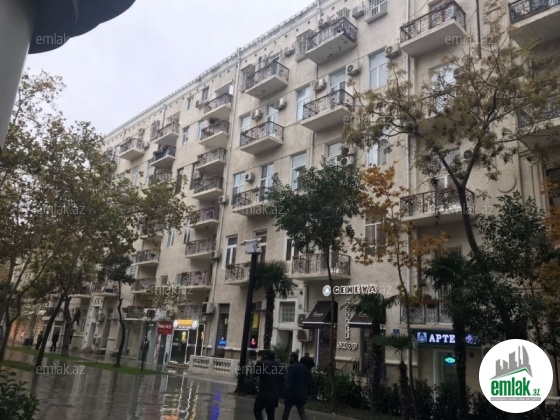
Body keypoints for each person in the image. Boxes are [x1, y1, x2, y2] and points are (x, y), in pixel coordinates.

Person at [253, 350, 284, 420]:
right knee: (270, 414)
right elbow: (282, 381)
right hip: (274, 394)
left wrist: (258, 362)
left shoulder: (263, 364)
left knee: (257, 410)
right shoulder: (280, 366)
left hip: (263, 393)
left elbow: (256, 373)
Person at [282, 352, 308, 420]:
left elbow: (288, 382)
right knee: (302, 412)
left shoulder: (291, 368)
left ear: (292, 358)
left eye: (289, 357)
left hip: (291, 394)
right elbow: (307, 379)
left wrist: (285, 393)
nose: (288, 359)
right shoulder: (303, 366)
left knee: (286, 412)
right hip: (301, 393)